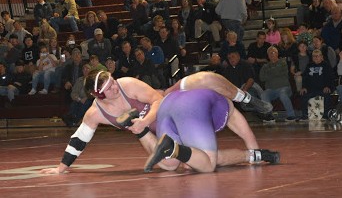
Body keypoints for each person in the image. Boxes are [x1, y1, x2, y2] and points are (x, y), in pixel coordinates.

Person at [40, 70, 275, 174]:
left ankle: (247, 98)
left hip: (167, 103)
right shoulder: (95, 114)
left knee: (205, 78)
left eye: (112, 81)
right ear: (98, 96)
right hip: (164, 130)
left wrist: (143, 123)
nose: (114, 87)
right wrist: (62, 168)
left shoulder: (128, 84)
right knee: (172, 165)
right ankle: (251, 155)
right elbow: (79, 139)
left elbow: (157, 100)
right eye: (108, 88)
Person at [144, 88, 279, 173]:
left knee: (170, 165)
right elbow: (248, 136)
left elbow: (190, 163)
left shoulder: (207, 94)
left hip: (166, 103)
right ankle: (173, 148)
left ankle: (140, 132)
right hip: (190, 106)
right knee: (207, 165)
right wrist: (256, 155)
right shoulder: (229, 108)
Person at [259, 46, 297, 122]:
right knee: (264, 94)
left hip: (284, 88)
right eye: (270, 53)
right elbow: (261, 78)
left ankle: (291, 115)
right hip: (271, 90)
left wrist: (270, 73)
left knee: (283, 94)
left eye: (273, 52)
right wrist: (275, 71)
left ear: (277, 54)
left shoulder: (283, 62)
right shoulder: (265, 66)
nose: (271, 54)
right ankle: (269, 115)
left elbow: (283, 73)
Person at [299, 49, 335, 120]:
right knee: (303, 95)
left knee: (327, 96)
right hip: (311, 89)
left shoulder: (326, 65)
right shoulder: (309, 65)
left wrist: (328, 86)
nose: (316, 57)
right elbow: (305, 78)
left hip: (323, 88)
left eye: (318, 56)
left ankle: (326, 115)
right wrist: (304, 87)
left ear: (321, 57)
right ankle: (305, 115)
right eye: (314, 56)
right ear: (312, 57)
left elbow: (330, 78)